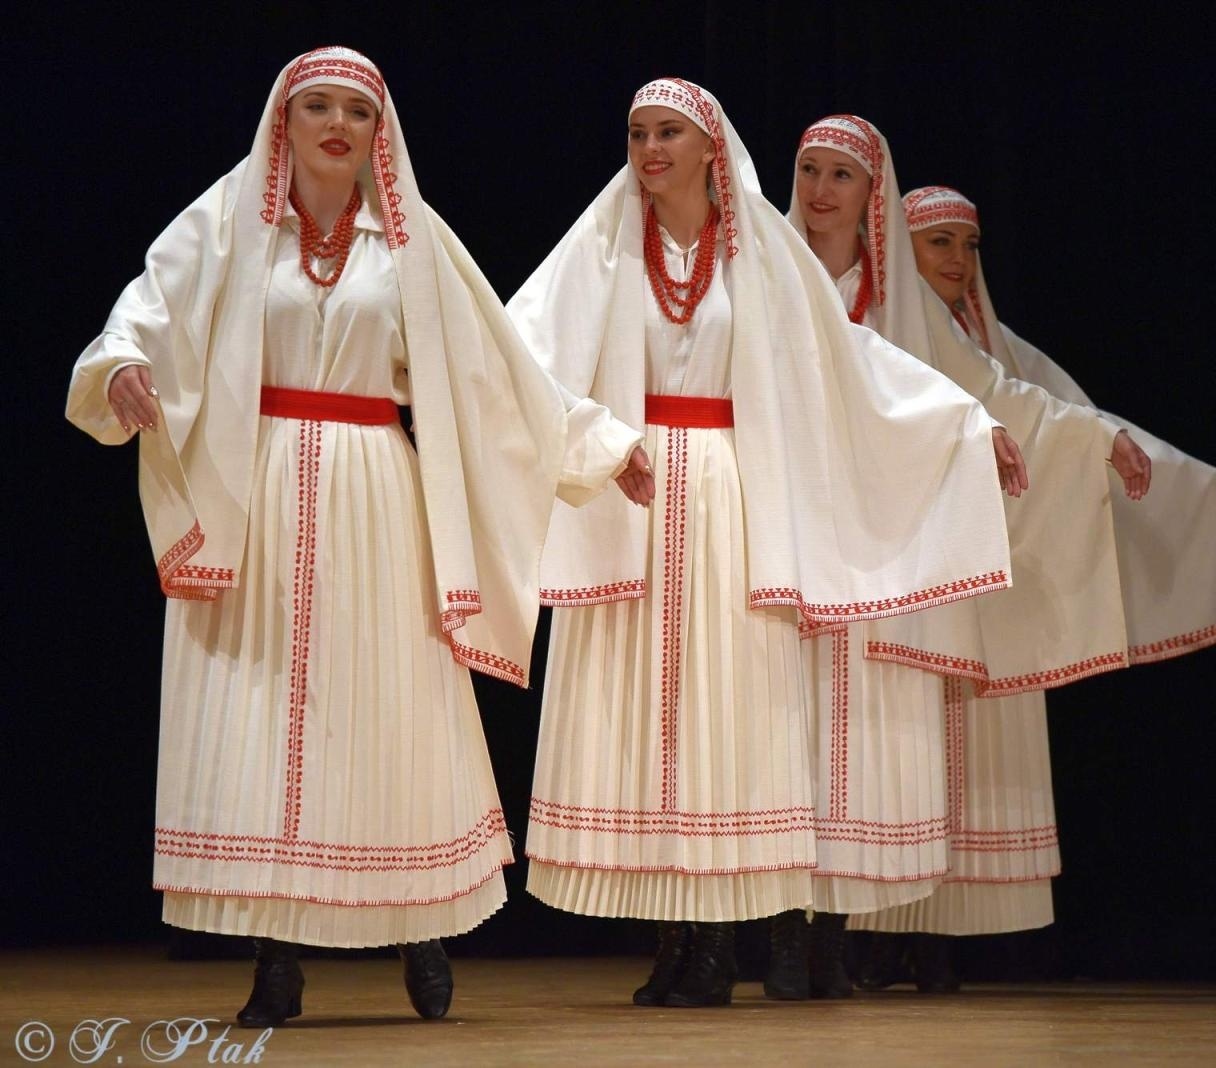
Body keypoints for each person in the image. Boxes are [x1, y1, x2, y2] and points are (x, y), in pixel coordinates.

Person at [65, 47, 640, 1027]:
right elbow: (145, 309)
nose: (337, 124)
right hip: (260, 482)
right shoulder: (230, 225)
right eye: (317, 107)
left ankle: (420, 926)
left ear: (382, 131)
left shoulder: (409, 245)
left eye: (358, 111)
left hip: (376, 489)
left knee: (386, 703)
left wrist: (596, 446)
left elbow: (501, 372)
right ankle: (276, 955)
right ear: (282, 122)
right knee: (269, 710)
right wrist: (121, 367)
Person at [504, 80, 1025, 1008]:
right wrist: (594, 441)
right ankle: (672, 940)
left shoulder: (762, 249)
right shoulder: (602, 241)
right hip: (626, 491)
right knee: (643, 718)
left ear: (712, 147)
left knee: (722, 713)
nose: (650, 148)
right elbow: (518, 350)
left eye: (669, 133)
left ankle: (711, 945)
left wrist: (964, 421)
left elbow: (850, 355)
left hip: (726, 499)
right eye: (636, 133)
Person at [783, 116, 1155, 997]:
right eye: (809, 171)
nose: (823, 191)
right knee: (779, 728)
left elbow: (989, 390)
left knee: (854, 735)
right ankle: (767, 936)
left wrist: (1100, 436)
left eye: (843, 176)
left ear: (873, 195)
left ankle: (835, 937)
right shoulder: (771, 275)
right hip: (785, 525)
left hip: (875, 542)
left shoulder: (900, 307)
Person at [848, 183, 1216, 988]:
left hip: (984, 581)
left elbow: (1069, 415)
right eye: (939, 244)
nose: (959, 261)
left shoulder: (995, 345)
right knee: (897, 755)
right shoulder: (877, 335)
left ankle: (936, 945)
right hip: (905, 577)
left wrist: (1191, 481)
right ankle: (869, 937)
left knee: (975, 759)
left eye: (969, 245)